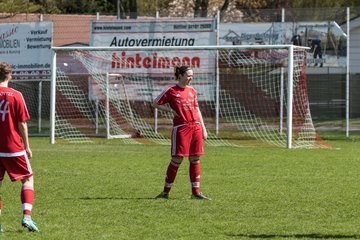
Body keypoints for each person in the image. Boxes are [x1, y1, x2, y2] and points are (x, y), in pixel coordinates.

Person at [153, 65, 210, 200]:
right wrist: (170, 111)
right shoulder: (171, 90)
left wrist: (203, 128)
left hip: (195, 127)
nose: (191, 78)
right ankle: (165, 192)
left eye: (192, 75)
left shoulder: (192, 91)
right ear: (180, 76)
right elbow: (155, 103)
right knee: (177, 159)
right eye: (189, 75)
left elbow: (197, 110)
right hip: (182, 128)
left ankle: (196, 192)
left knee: (195, 158)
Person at [0, 62, 39, 232]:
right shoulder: (16, 95)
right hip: (13, 147)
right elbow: (22, 124)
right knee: (28, 179)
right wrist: (27, 147)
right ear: (9, 76)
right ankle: (27, 216)